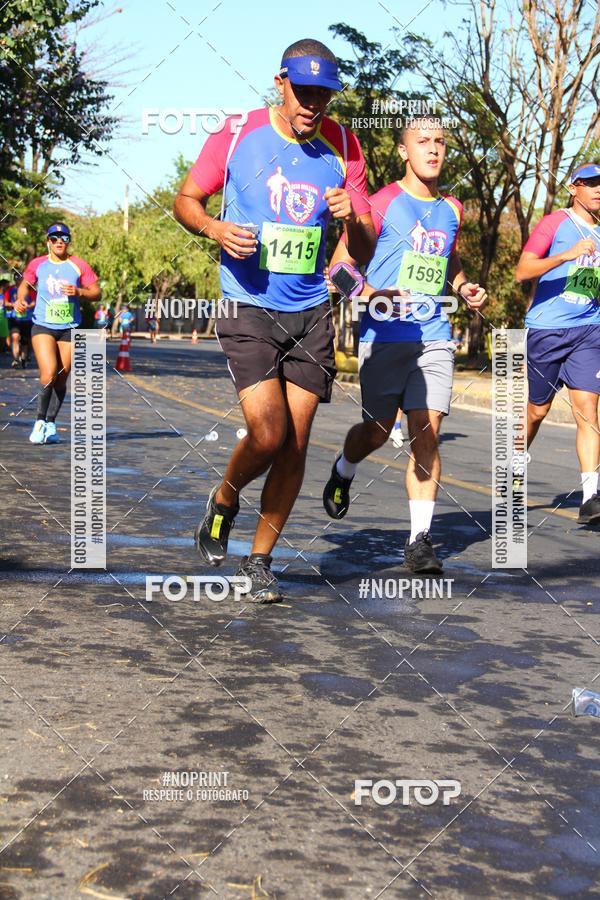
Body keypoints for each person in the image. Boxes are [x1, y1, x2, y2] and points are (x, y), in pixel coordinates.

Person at [174, 38, 375, 602]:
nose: (313, 104)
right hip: (247, 304)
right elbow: (186, 199)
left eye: (324, 95)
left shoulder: (343, 146)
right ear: (279, 82)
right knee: (267, 432)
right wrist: (215, 229)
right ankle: (225, 497)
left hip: (311, 311)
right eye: (304, 91)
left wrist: (352, 216)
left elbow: (362, 243)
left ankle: (260, 561)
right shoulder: (237, 133)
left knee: (296, 444)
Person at [322, 117, 487, 574]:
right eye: (423, 142)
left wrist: (464, 285)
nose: (433, 150)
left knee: (426, 429)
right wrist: (372, 295)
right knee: (376, 431)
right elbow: (338, 270)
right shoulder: (380, 203)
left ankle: (419, 541)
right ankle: (344, 467)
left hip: (433, 334)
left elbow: (446, 255)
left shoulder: (452, 208)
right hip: (383, 335)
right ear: (403, 151)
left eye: (439, 142)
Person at [515, 161, 600, 525]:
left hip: (588, 330)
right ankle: (514, 463)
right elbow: (522, 271)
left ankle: (591, 494)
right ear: (573, 187)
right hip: (547, 331)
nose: (598, 189)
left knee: (588, 411)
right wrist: (566, 255)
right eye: (591, 183)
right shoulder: (555, 223)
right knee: (537, 411)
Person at [16, 222, 101, 444]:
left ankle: (51, 424)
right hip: (43, 324)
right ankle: (39, 422)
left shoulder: (78, 264)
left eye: (64, 238)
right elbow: (25, 284)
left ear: (68, 241)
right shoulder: (38, 264)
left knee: (62, 377)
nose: (59, 242)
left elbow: (97, 292)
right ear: (48, 242)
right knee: (49, 372)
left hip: (70, 328)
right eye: (54, 238)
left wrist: (80, 291)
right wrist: (20, 299)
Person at [6, 274, 34, 368]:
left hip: (27, 319)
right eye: (16, 279)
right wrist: (13, 304)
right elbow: (5, 301)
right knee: (15, 337)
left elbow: (35, 301)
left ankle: (24, 359)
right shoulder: (10, 290)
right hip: (14, 318)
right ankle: (15, 360)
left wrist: (28, 306)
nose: (18, 281)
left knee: (25, 341)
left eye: (20, 279)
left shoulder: (30, 289)